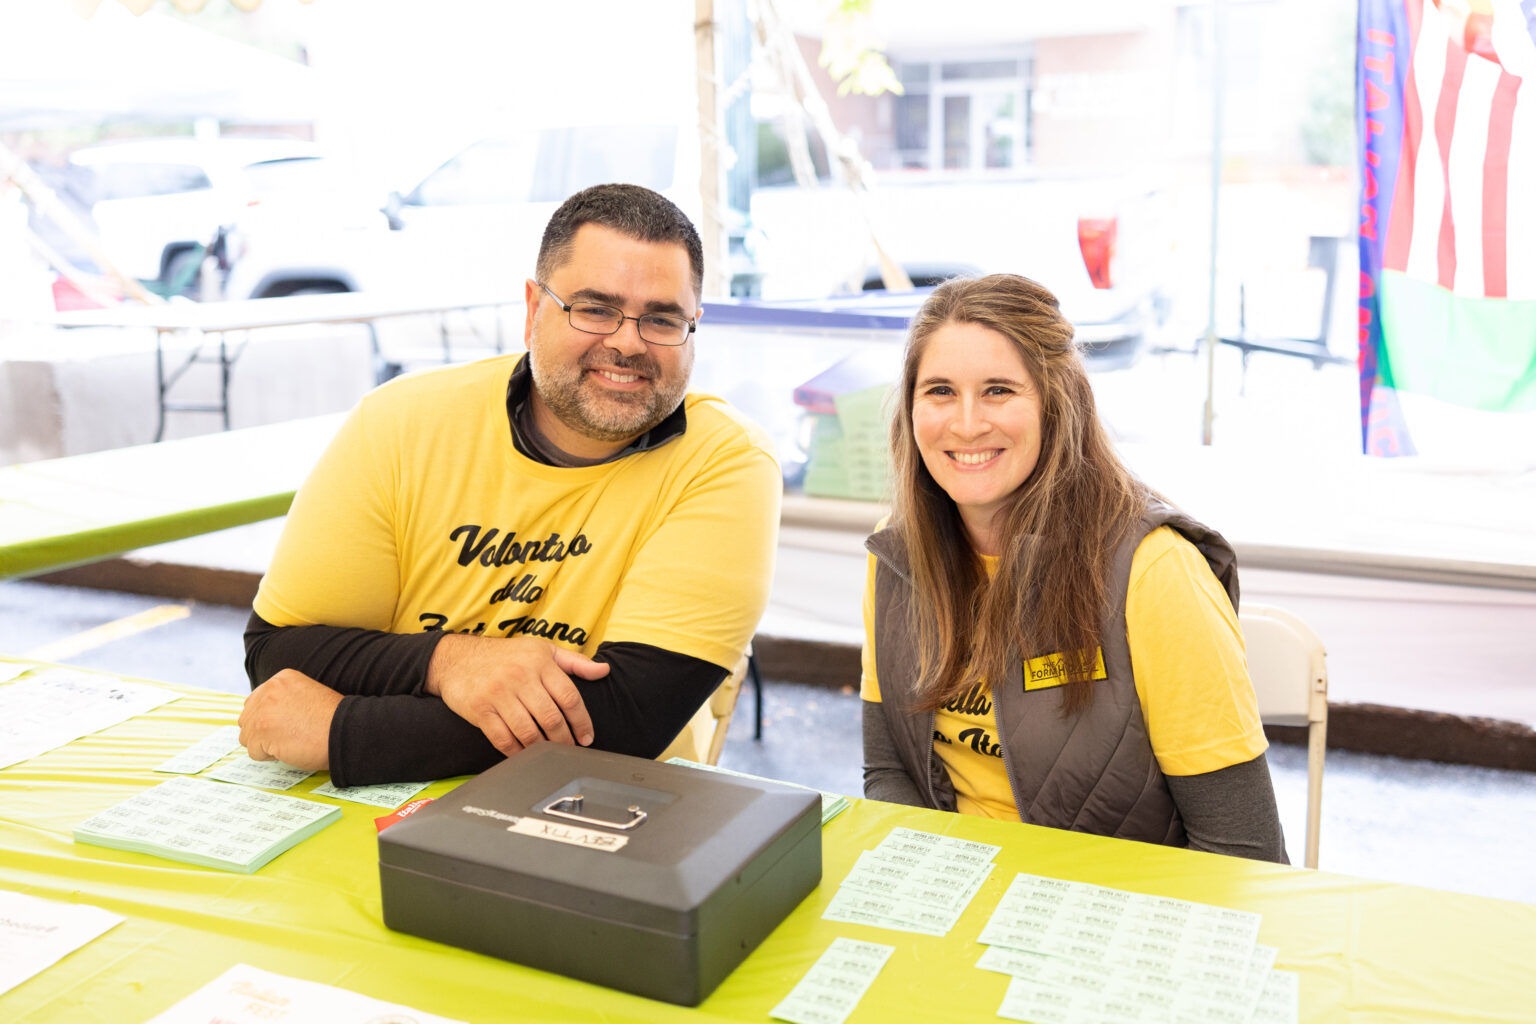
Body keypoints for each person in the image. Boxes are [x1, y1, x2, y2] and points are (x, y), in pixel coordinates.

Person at [237, 183, 781, 788]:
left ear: (693, 327)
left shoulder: (725, 459)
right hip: (370, 812)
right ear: (532, 308)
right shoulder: (398, 424)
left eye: (661, 318)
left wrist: (345, 732)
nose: (628, 342)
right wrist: (450, 662)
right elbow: (279, 649)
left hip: (607, 817)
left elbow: (627, 721)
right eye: (595, 308)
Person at [861, 274, 1287, 862]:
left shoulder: (1158, 571)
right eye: (939, 391)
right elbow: (888, 772)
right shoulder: (898, 558)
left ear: (1055, 401)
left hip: (1113, 918)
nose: (964, 423)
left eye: (998, 390)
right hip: (954, 898)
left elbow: (1245, 851)